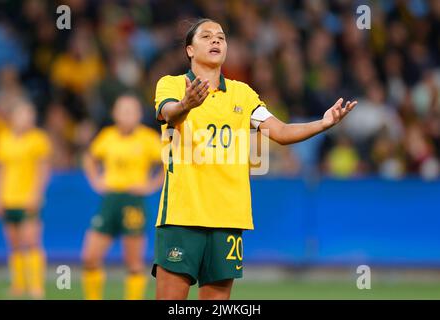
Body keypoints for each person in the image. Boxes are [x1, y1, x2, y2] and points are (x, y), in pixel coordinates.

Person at [152, 18, 357, 300]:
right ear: (189, 49)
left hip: (228, 218)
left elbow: (281, 131)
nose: (215, 41)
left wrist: (322, 124)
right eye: (207, 36)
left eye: (221, 37)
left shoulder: (243, 94)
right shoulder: (172, 85)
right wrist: (187, 104)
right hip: (182, 216)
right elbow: (168, 112)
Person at [81, 95, 164, 300]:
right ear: (115, 114)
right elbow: (89, 158)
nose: (127, 115)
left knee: (134, 263)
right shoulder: (107, 136)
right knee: (90, 257)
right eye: (123, 110)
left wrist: (150, 186)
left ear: (139, 115)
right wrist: (96, 181)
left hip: (133, 202)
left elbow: (167, 164)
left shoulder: (148, 138)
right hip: (110, 200)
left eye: (132, 110)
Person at [0, 100, 51, 299]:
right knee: (14, 244)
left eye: (29, 115)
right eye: (22, 114)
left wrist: (36, 194)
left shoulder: (38, 140)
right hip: (9, 198)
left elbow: (43, 170)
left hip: (28, 199)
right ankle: (18, 285)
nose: (26, 119)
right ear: (13, 117)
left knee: (32, 242)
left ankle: (36, 286)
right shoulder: (3, 139)